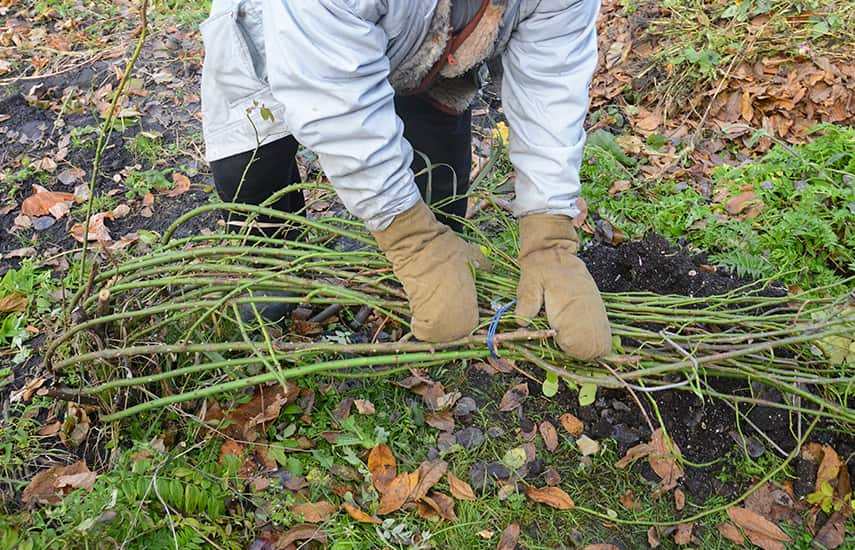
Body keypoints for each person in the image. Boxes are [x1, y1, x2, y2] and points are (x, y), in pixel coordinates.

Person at [200, 0, 611, 360]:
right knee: (255, 184)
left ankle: (390, 280)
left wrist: (549, 232)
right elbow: (331, 98)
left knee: (440, 196)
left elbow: (551, 83)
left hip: (431, 51)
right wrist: (410, 237)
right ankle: (280, 279)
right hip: (273, 39)